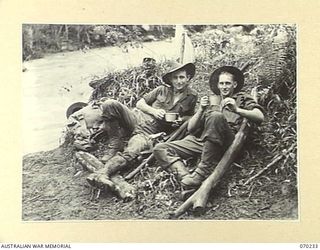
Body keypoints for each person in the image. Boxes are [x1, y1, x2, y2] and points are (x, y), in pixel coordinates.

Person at [86, 61, 198, 187]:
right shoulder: (161, 90)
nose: (179, 81)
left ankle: (103, 173)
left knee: (133, 150)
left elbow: (190, 116)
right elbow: (140, 104)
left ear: (188, 78)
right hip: (136, 118)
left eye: (182, 77)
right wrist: (154, 111)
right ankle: (115, 144)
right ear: (171, 80)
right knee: (110, 104)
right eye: (175, 78)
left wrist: (180, 120)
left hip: (148, 132)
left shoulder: (192, 96)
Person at [153, 66, 265, 188]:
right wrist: (201, 110)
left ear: (234, 84)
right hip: (204, 141)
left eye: (227, 83)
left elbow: (259, 116)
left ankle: (201, 172)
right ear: (217, 85)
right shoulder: (213, 100)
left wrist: (237, 110)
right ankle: (186, 178)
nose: (224, 86)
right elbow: (191, 129)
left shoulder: (242, 97)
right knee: (160, 148)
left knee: (216, 116)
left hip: (226, 141)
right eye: (221, 83)